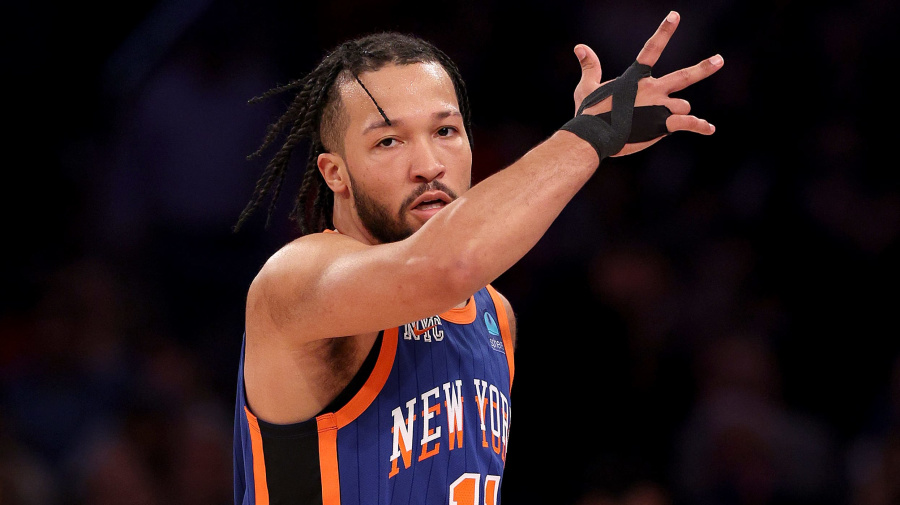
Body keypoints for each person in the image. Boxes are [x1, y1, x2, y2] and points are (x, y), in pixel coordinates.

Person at [232, 10, 723, 505]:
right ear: (335, 173)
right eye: (388, 141)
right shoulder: (295, 280)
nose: (428, 166)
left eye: (445, 132)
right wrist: (591, 134)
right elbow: (441, 268)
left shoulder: (494, 315)